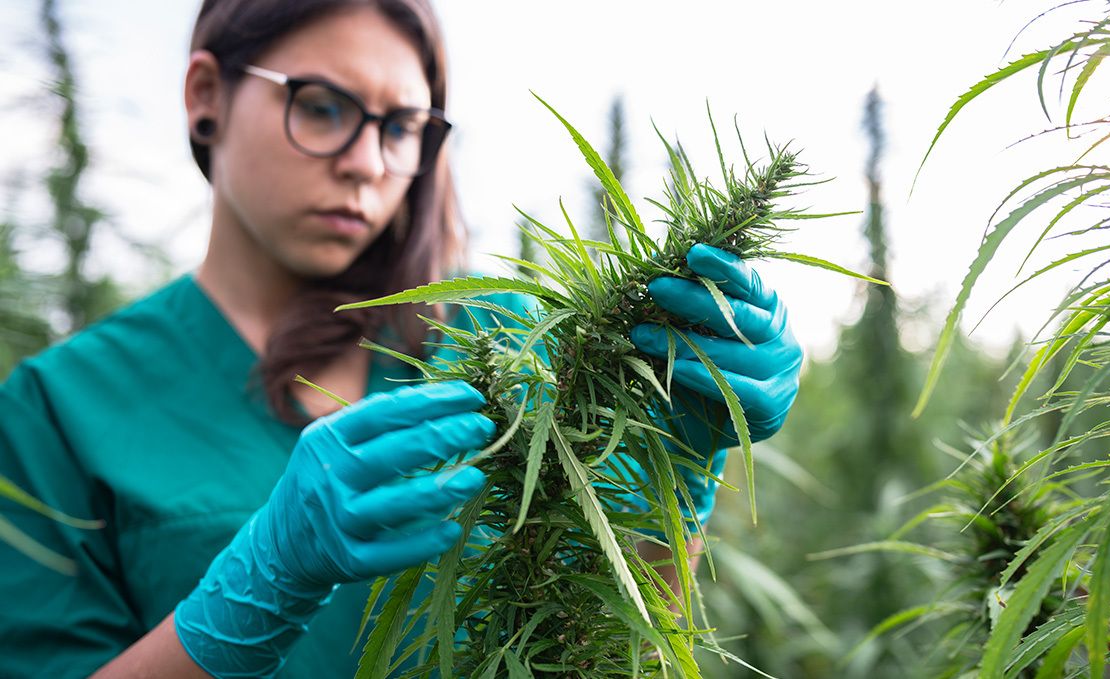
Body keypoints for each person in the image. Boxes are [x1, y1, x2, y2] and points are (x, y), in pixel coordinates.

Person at [0, 0, 803, 676]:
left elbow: (605, 648)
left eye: (403, 127)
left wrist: (681, 468)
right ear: (206, 93)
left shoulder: (517, 345)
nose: (367, 162)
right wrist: (250, 594)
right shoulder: (55, 409)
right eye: (321, 105)